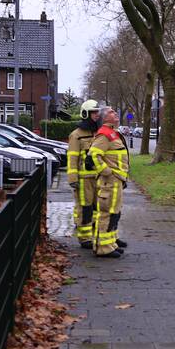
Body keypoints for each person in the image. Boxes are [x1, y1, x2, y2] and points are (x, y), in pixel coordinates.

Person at [88, 107, 130, 258]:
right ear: (105, 118)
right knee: (106, 214)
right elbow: (93, 156)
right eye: (112, 112)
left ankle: (110, 243)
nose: (116, 113)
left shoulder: (113, 133)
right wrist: (107, 172)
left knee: (114, 213)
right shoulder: (104, 134)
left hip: (116, 180)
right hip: (110, 181)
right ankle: (102, 247)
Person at [67, 100, 101, 249]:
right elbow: (72, 158)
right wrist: (73, 179)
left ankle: (95, 233)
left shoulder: (98, 133)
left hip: (99, 178)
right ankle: (85, 238)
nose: (97, 115)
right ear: (86, 114)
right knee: (85, 208)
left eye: (97, 112)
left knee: (98, 208)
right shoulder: (76, 135)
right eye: (94, 112)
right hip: (84, 179)